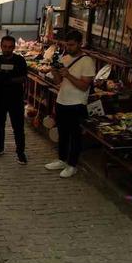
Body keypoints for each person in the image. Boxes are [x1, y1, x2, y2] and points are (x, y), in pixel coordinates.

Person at [45, 29, 95, 178]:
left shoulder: (87, 61)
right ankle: (62, 159)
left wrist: (68, 74)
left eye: (72, 45)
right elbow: (59, 82)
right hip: (62, 101)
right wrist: (55, 71)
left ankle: (72, 165)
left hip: (77, 104)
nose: (69, 48)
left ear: (80, 44)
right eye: (67, 45)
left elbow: (84, 86)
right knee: (63, 133)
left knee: (75, 136)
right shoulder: (65, 58)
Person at [0, 35, 28, 164]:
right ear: (1, 46)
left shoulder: (20, 60)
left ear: (14, 47)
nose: (7, 49)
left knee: (18, 127)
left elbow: (23, 78)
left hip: (16, 99)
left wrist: (8, 79)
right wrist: (0, 78)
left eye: (10, 47)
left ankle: (20, 152)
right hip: (0, 98)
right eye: (5, 46)